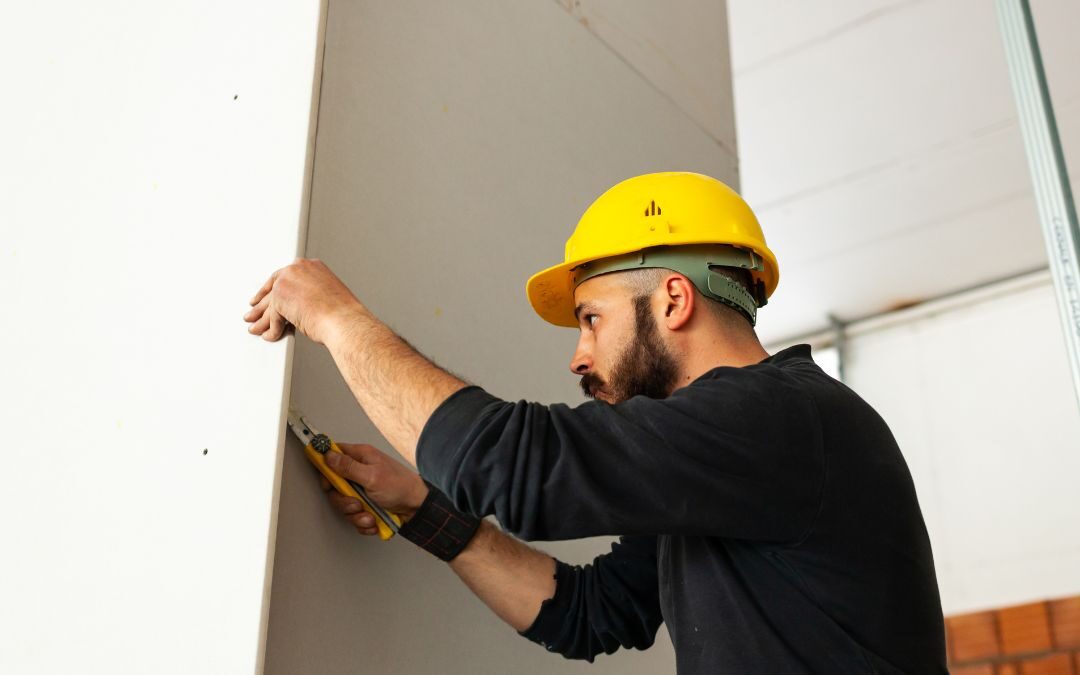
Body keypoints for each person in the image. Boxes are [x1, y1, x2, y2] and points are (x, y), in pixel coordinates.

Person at [244, 172, 947, 673]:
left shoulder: (778, 417)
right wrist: (426, 510)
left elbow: (507, 465)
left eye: (591, 319)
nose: (579, 355)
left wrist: (337, 319)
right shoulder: (725, 459)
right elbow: (591, 610)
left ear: (673, 299)